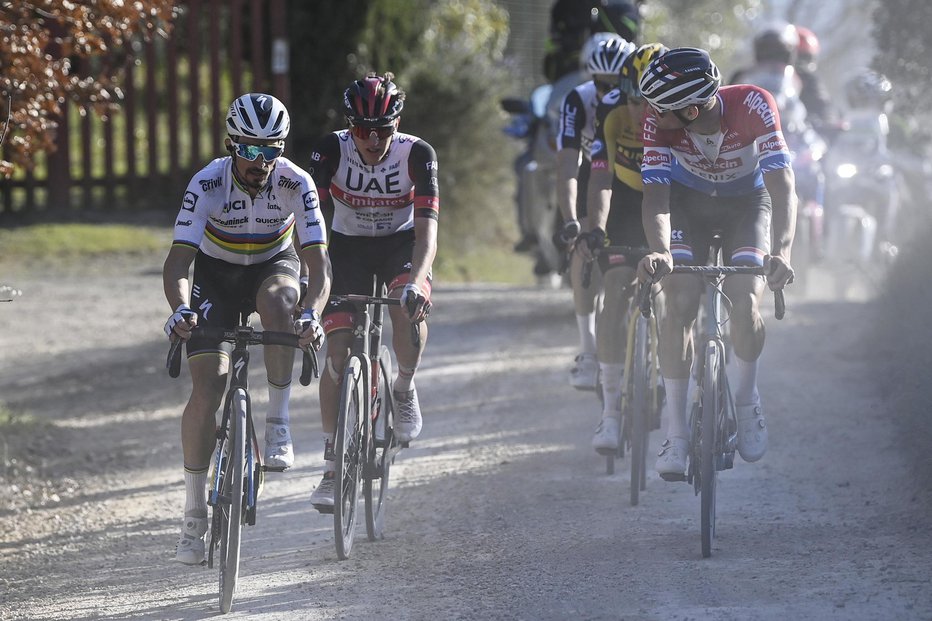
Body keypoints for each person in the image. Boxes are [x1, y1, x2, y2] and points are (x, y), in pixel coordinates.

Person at [163, 93, 332, 564]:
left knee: (282, 301)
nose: (262, 161)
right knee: (209, 387)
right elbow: (178, 262)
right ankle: (194, 514)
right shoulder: (207, 182)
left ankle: (277, 423)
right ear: (231, 144)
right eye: (251, 150)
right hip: (216, 276)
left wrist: (312, 312)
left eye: (272, 150)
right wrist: (180, 309)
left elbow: (319, 267)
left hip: (272, 266)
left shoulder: (297, 183)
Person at [635, 48, 796, 479]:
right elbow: (656, 198)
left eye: (659, 107)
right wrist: (661, 250)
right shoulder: (658, 121)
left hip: (747, 205)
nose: (649, 114)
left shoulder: (753, 105)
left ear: (690, 108)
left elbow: (783, 189)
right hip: (688, 209)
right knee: (680, 302)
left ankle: (746, 400)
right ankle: (677, 433)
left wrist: (782, 250)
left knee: (745, 303)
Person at [306, 72, 437, 512]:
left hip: (400, 245)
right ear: (350, 128)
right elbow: (313, 227)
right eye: (363, 131)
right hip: (347, 248)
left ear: (396, 126)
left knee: (406, 309)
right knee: (337, 354)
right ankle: (330, 466)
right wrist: (314, 277)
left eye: (383, 130)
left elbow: (427, 232)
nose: (373, 140)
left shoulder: (416, 154)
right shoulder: (330, 150)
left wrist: (418, 282)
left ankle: (402, 387)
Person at [578, 42, 667, 451]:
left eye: (646, 101)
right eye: (631, 98)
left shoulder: (680, 114)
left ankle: (667, 369)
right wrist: (595, 226)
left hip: (670, 202)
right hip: (625, 204)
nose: (638, 110)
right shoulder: (611, 109)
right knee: (614, 291)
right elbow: (600, 178)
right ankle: (610, 414)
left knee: (671, 287)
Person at [556, 35, 635, 390]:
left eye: (615, 81)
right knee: (583, 247)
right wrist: (571, 220)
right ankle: (588, 351)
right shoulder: (579, 100)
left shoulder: (638, 99)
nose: (608, 90)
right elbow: (568, 167)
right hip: (594, 171)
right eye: (601, 83)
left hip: (635, 175)